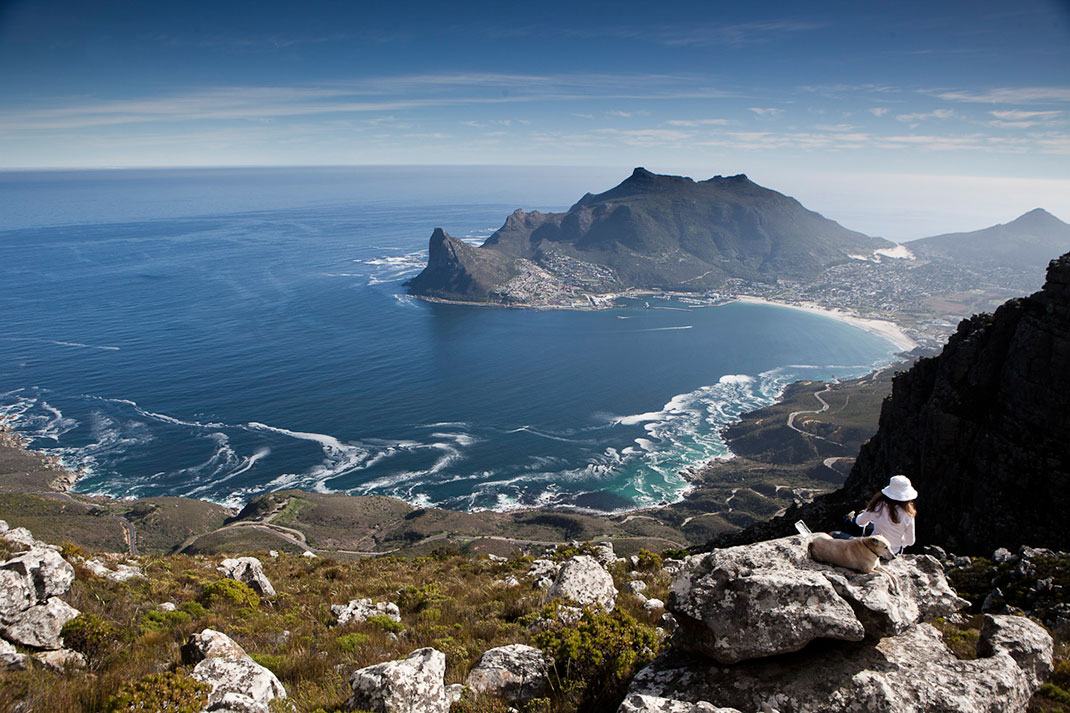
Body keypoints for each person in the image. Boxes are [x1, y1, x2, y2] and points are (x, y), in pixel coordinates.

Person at [853, 474, 917, 555]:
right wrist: (897, 542)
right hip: (893, 552)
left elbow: (860, 522)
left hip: (873, 550)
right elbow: (910, 541)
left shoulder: (877, 505)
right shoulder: (908, 514)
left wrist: (866, 514)